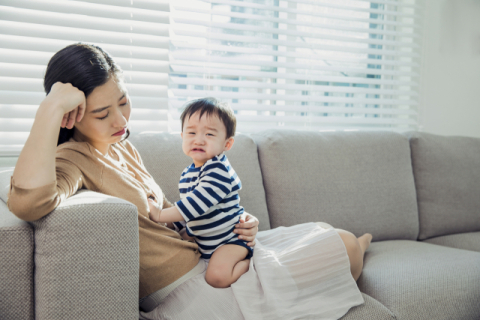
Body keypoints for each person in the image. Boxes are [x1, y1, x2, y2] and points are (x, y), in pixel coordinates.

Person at [7, 43, 372, 320]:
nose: (120, 120)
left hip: (205, 256)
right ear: (73, 116)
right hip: (189, 287)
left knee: (333, 238)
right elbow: (28, 202)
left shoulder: (121, 148)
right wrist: (50, 109)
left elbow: (172, 215)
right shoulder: (73, 158)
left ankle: (358, 244)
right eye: (103, 113)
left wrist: (241, 225)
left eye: (123, 102)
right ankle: (361, 246)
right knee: (345, 249)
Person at [149, 98, 252, 288]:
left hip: (229, 240)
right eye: (191, 132)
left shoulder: (219, 170)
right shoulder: (188, 173)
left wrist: (160, 214)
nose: (198, 139)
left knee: (216, 278)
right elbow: (188, 213)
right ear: (182, 136)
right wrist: (170, 224)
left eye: (210, 134)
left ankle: (250, 265)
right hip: (206, 243)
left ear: (227, 144)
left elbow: (193, 206)